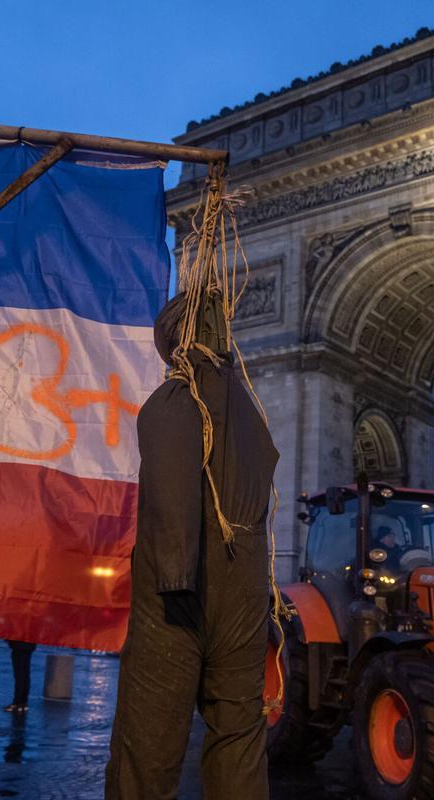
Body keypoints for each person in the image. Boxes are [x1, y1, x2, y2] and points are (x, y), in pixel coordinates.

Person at [105, 292, 279, 800]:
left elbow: (170, 488)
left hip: (179, 601)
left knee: (149, 749)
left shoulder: (174, 401)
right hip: (244, 602)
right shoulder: (250, 414)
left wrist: (176, 578)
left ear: (175, 345)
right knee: (240, 742)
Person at [4, 640, 36, 713]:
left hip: (18, 645)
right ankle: (23, 702)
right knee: (25, 674)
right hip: (30, 645)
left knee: (19, 675)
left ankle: (17, 702)